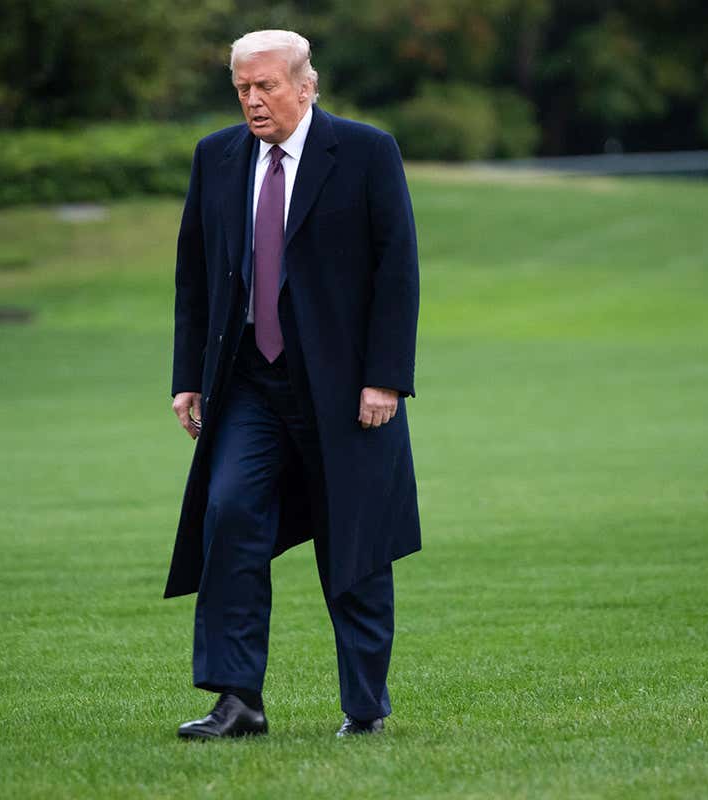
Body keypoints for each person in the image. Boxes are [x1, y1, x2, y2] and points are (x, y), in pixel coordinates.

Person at [167, 29, 421, 739]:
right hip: (247, 380)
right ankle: (237, 699)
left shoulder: (366, 151)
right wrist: (188, 377)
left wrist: (385, 380)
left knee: (355, 541)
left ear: (306, 86)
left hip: (343, 388)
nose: (253, 100)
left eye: (266, 86)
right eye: (242, 88)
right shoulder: (216, 157)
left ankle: (364, 708)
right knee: (230, 516)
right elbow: (194, 274)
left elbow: (397, 271)